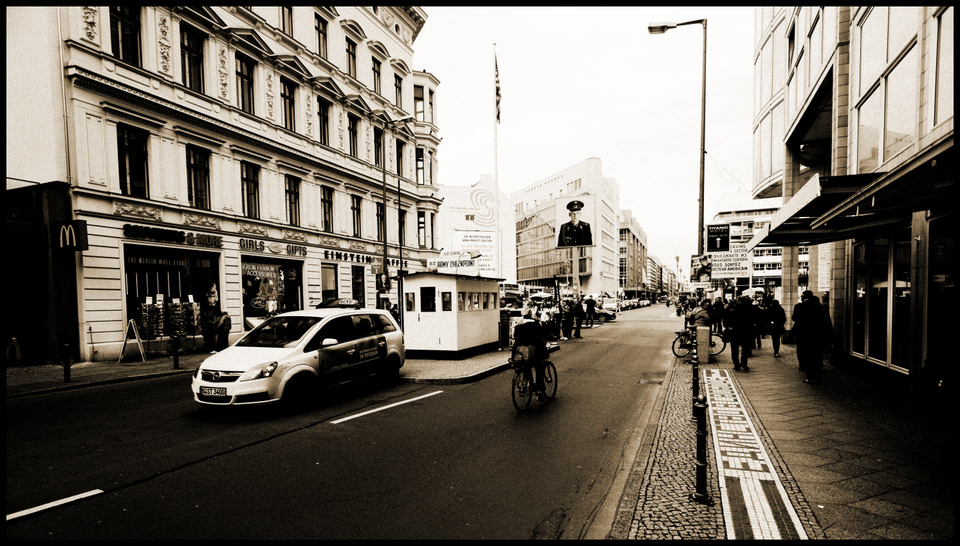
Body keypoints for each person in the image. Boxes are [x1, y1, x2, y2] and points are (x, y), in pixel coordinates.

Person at [792, 290, 831, 383]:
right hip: (818, 336)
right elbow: (827, 323)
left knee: (808, 355)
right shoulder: (821, 308)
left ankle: (809, 376)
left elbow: (797, 320)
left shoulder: (801, 307)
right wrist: (829, 336)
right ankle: (818, 376)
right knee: (818, 356)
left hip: (806, 335)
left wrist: (793, 333)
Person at [512, 308, 549, 401]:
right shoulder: (536, 324)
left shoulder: (519, 325)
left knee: (525, 366)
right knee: (539, 367)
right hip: (535, 351)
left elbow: (515, 337)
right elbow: (544, 334)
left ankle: (526, 383)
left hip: (520, 352)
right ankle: (539, 390)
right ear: (530, 314)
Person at [726, 296, 756, 371]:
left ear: (739, 301)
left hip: (735, 332)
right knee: (745, 349)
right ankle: (744, 363)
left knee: (735, 349)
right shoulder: (751, 309)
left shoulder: (734, 309)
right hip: (746, 332)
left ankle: (736, 364)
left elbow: (728, 318)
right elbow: (754, 319)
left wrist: (729, 326)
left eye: (737, 300)